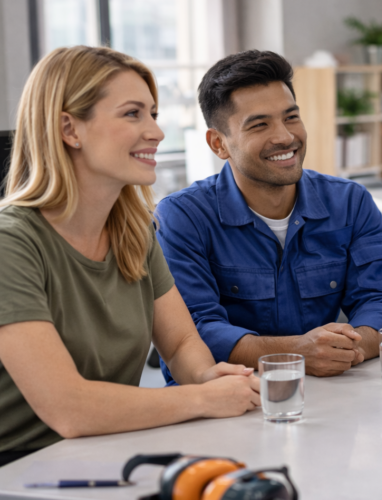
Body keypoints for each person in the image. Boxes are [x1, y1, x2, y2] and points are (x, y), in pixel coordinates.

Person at [0, 46, 260, 467]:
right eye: (132, 114)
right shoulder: (10, 243)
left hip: (103, 452)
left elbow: (180, 342)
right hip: (19, 468)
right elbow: (69, 408)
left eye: (153, 114)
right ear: (69, 128)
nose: (156, 132)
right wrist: (203, 398)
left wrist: (205, 375)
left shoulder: (134, 231)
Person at [155, 50, 382, 381]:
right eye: (260, 124)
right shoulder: (182, 217)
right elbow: (191, 333)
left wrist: (344, 349)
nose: (285, 137)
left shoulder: (349, 202)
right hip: (226, 397)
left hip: (328, 392)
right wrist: (297, 353)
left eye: (291, 117)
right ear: (218, 144)